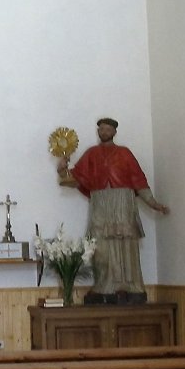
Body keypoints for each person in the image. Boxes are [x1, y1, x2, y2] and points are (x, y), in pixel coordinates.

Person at [60, 117, 168, 302]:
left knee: (126, 242)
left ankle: (131, 286)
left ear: (114, 132)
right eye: (101, 129)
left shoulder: (124, 153)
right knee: (100, 245)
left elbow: (139, 181)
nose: (104, 132)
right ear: (98, 132)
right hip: (101, 202)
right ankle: (104, 285)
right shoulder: (91, 154)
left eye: (108, 129)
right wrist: (62, 170)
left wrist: (153, 203)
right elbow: (75, 180)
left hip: (123, 202)